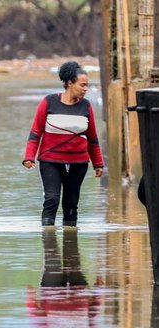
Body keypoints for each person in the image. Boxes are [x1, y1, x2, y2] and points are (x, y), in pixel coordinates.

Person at [23, 61, 105, 227]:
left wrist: (98, 163)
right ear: (70, 83)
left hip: (78, 163)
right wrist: (29, 157)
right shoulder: (49, 102)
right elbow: (36, 132)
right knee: (51, 199)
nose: (86, 89)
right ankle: (48, 238)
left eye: (87, 85)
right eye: (82, 85)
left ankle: (70, 240)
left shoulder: (86, 106)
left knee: (71, 203)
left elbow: (92, 138)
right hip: (50, 161)